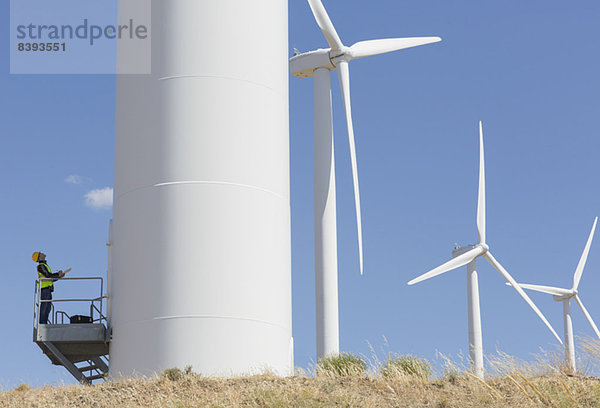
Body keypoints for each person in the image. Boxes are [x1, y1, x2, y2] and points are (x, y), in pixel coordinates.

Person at [32, 251, 65, 324]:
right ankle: (42, 323)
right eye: (40, 253)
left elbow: (51, 279)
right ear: (39, 257)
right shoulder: (41, 266)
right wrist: (58, 274)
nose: (43, 253)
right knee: (44, 308)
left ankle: (44, 323)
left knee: (48, 308)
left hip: (48, 289)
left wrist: (59, 276)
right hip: (45, 290)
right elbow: (48, 275)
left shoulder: (44, 265)